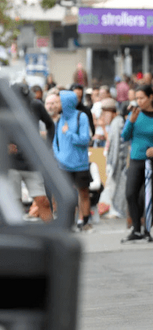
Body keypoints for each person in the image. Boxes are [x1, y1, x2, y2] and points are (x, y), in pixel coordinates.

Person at [120, 85, 153, 243]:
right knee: (130, 193)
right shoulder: (134, 114)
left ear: (150, 97)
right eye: (137, 98)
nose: (139, 101)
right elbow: (125, 136)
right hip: (136, 158)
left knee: (147, 196)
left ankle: (147, 228)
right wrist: (130, 122)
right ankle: (136, 228)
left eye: (141, 98)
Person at [8, 83, 55, 222]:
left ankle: (53, 235)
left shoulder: (36, 105)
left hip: (32, 162)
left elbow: (50, 125)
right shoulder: (5, 107)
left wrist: (47, 147)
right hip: (11, 164)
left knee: (43, 201)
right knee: (14, 205)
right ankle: (17, 240)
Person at [53, 90, 93, 231]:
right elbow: (55, 142)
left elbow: (85, 140)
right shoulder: (60, 119)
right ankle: (68, 223)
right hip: (63, 164)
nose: (55, 105)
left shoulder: (81, 117)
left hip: (80, 164)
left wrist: (69, 133)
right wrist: (58, 155)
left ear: (66, 103)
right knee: (65, 194)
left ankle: (85, 222)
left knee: (83, 193)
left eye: (58, 102)